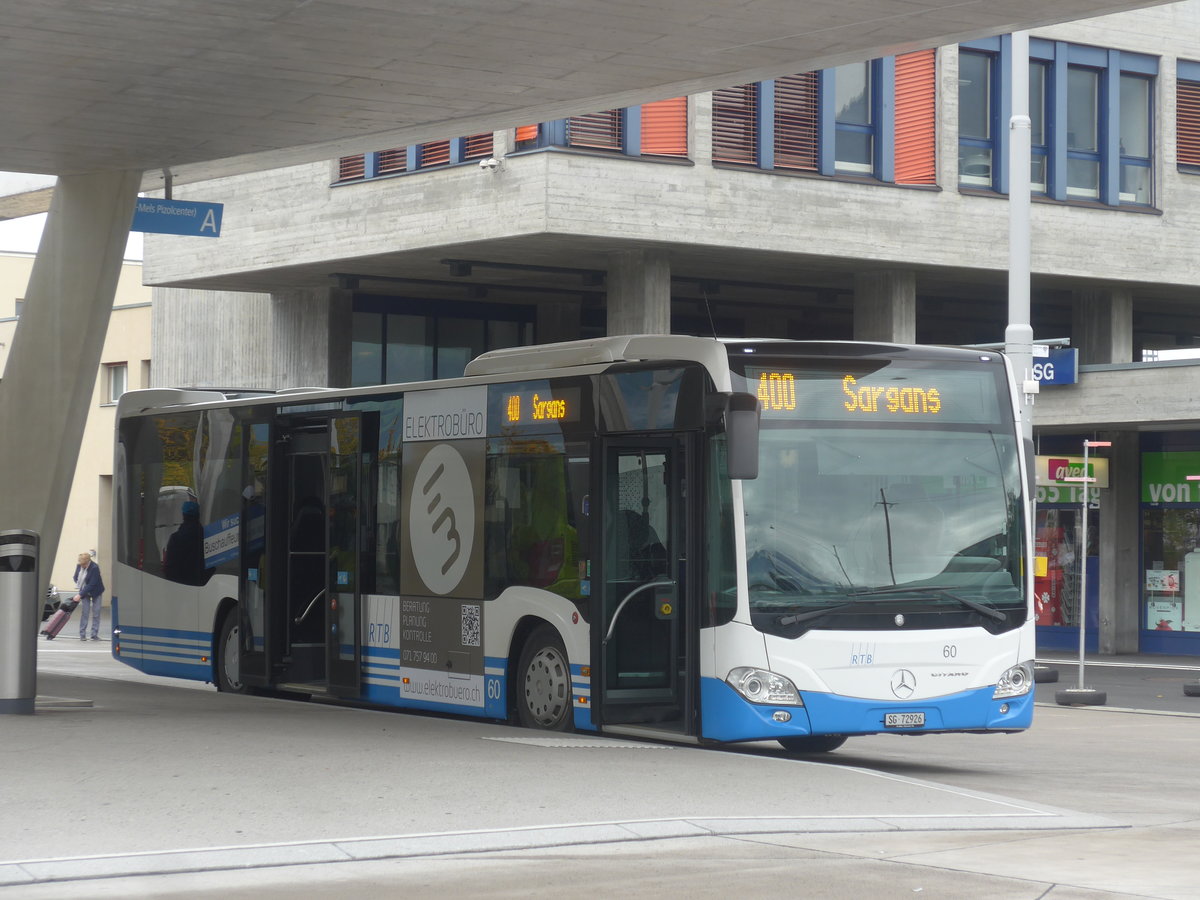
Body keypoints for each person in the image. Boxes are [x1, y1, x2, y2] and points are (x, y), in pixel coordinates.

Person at [164, 500, 208, 585]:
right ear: (198, 515)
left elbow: (170, 569)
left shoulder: (176, 538)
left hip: (181, 586)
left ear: (183, 515)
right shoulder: (206, 536)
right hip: (203, 584)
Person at [72, 551, 106, 641]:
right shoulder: (79, 565)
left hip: (96, 591)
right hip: (85, 591)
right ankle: (82, 634)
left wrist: (80, 594)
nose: (82, 566)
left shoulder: (94, 568)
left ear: (88, 562)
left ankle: (94, 634)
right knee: (85, 613)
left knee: (96, 613)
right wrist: (81, 585)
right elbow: (75, 577)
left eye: (83, 565)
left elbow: (92, 584)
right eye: (81, 564)